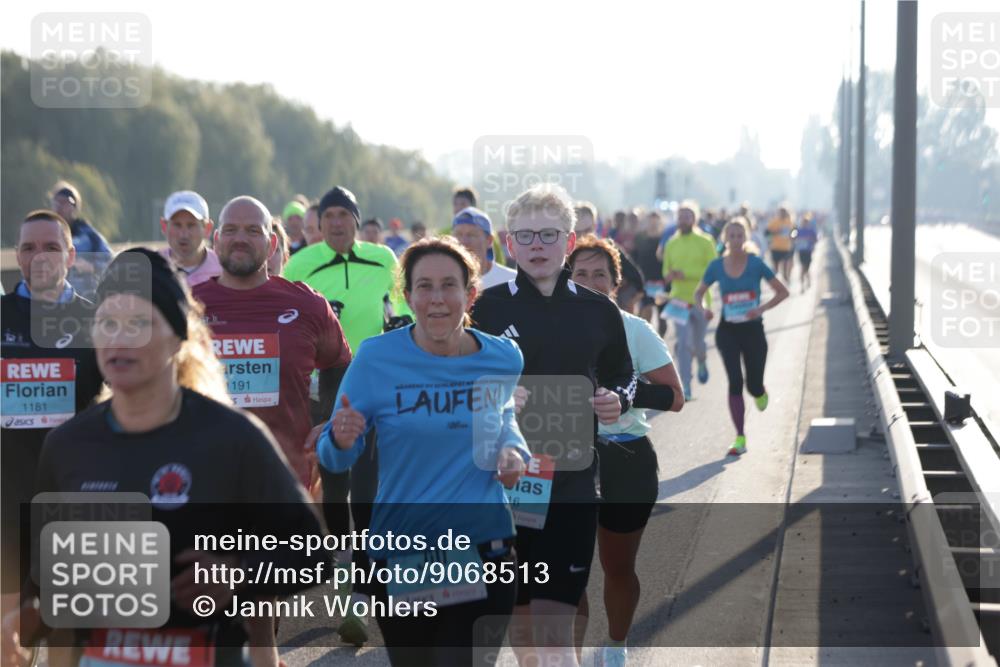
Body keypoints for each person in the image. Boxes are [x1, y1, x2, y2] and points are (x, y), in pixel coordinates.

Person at [2, 248, 326, 667]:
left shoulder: (231, 437)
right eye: (108, 323)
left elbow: (311, 553)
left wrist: (237, 573)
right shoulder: (68, 444)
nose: (120, 338)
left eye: (139, 324)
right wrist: (22, 617)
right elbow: (49, 572)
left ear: (176, 338)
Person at [318, 237, 529, 666]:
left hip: (483, 549)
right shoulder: (377, 358)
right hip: (403, 553)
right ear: (408, 295)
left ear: (470, 294)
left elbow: (503, 418)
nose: (437, 299)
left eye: (449, 285)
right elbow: (334, 457)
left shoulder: (503, 358)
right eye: (424, 286)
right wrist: (340, 438)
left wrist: (513, 453)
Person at [472, 183, 635, 667]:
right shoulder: (483, 307)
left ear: (569, 240)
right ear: (509, 242)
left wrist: (615, 397)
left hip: (572, 482)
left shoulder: (598, 309)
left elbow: (622, 373)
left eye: (549, 234)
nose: (537, 245)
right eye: (526, 236)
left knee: (556, 626)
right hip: (507, 485)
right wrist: (494, 395)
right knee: (522, 621)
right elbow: (454, 377)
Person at [283, 185, 410, 645]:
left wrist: (401, 325)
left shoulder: (383, 260)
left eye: (345, 215)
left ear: (357, 221)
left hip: (374, 383)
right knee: (333, 485)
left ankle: (359, 588)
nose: (337, 223)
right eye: (329, 215)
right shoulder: (300, 264)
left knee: (368, 486)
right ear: (319, 222)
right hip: (327, 384)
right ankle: (340, 558)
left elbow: (404, 306)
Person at [567, 236, 684, 667]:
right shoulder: (550, 330)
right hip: (563, 460)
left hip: (625, 457)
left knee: (617, 568)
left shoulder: (634, 329)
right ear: (567, 278)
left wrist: (626, 398)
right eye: (581, 274)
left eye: (601, 274)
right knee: (566, 574)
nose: (591, 282)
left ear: (617, 284)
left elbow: (675, 396)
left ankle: (615, 646)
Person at [193, 196, 352, 488]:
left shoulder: (308, 305)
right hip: (205, 481)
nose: (240, 239)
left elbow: (341, 365)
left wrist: (327, 421)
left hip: (286, 482)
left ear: (273, 244)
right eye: (230, 230)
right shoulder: (187, 305)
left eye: (253, 231)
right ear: (216, 241)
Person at [1, 210, 104, 629]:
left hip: (76, 501)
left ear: (71, 255)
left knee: (73, 640)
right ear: (17, 255)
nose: (39, 256)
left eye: (51, 247)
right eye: (29, 247)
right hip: (7, 501)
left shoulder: (98, 320)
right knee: (10, 640)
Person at [693, 217, 789, 456]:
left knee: (752, 385)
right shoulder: (716, 266)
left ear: (746, 238)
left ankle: (760, 391)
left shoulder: (756, 263)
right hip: (728, 331)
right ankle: (740, 437)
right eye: (731, 236)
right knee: (735, 382)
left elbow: (783, 291)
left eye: (739, 235)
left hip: (753, 330)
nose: (735, 240)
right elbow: (699, 293)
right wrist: (704, 308)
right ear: (725, 239)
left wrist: (760, 309)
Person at [662, 200, 718, 401]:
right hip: (678, 300)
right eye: (680, 216)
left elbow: (712, 271)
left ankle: (702, 359)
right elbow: (665, 271)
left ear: (694, 219)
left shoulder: (706, 241)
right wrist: (669, 276)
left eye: (687, 216)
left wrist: (684, 273)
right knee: (683, 343)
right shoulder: (671, 243)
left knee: (698, 343)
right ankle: (685, 384)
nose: (683, 220)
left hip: (701, 299)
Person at [574, 203, 645, 314]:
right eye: (578, 232)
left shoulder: (609, 249)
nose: (583, 237)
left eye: (587, 230)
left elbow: (637, 280)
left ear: (594, 226)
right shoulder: (563, 254)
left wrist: (626, 306)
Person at [48, 181, 113, 299]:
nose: (59, 207)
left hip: (83, 299)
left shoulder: (89, 236)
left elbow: (110, 263)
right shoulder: (45, 234)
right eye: (56, 202)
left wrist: (92, 267)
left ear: (74, 207)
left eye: (64, 202)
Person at [159, 190, 223, 286]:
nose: (183, 234)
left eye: (191, 225)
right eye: (177, 225)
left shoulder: (223, 270)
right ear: (164, 227)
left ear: (207, 228)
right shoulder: (150, 269)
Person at [452, 207, 517, 289]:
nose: (464, 241)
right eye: (458, 234)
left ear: (489, 241)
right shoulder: (442, 282)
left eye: (471, 235)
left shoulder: (513, 281)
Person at [766, 206, 795, 282]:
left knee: (785, 267)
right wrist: (775, 233)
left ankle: (786, 281)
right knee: (776, 269)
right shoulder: (774, 222)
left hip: (786, 248)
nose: (783, 214)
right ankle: (776, 283)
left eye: (784, 212)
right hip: (775, 247)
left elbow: (794, 232)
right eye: (781, 212)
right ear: (779, 213)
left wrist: (792, 236)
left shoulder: (790, 222)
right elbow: (766, 233)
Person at [794, 212, 818, 291]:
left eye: (806, 222)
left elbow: (816, 240)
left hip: (808, 251)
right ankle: (802, 285)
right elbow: (793, 238)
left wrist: (810, 240)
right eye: (803, 222)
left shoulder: (811, 231)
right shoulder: (798, 231)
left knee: (807, 268)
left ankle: (808, 280)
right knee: (802, 267)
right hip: (801, 251)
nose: (805, 224)